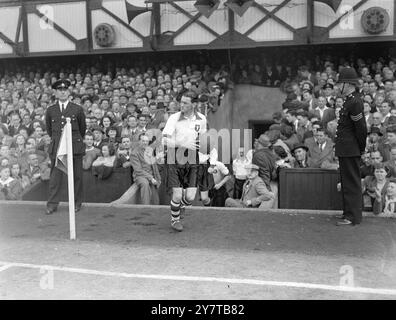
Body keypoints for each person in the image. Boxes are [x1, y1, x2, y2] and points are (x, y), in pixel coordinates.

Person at [162, 92, 207, 232]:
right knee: (177, 194)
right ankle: (175, 220)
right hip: (174, 156)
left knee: (190, 197)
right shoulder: (174, 118)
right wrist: (183, 144)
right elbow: (164, 140)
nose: (182, 105)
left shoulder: (202, 119)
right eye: (181, 102)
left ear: (194, 104)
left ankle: (180, 205)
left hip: (193, 158)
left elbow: (201, 138)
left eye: (185, 103)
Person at [45, 79, 86, 214]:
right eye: (59, 90)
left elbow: (82, 129)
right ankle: (52, 204)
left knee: (76, 177)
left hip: (74, 147)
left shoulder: (77, 109)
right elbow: (50, 130)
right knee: (55, 177)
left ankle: (76, 203)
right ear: (55, 93)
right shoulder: (51, 110)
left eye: (65, 90)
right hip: (57, 148)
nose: (62, 93)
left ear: (69, 92)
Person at [334, 67, 367, 226]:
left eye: (339, 83)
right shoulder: (350, 100)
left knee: (352, 183)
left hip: (350, 148)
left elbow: (361, 128)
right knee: (347, 182)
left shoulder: (354, 101)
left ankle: (353, 216)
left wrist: (361, 148)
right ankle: (348, 213)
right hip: (346, 148)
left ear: (347, 84)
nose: (337, 86)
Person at [130, 133, 161, 205]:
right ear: (139, 141)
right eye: (143, 141)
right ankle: (145, 207)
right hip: (140, 176)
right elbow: (138, 170)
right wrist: (151, 178)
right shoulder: (134, 153)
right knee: (145, 184)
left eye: (146, 141)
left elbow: (153, 165)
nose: (145, 143)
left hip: (151, 175)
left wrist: (157, 177)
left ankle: (156, 208)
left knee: (155, 198)